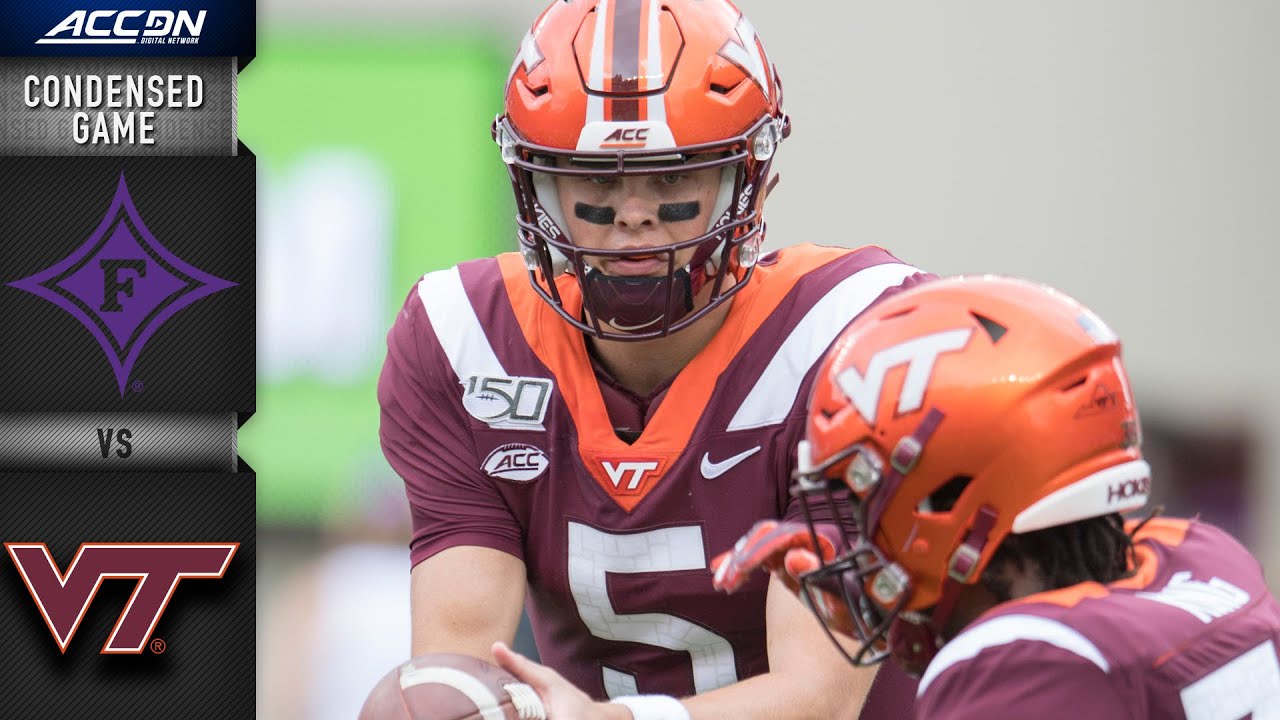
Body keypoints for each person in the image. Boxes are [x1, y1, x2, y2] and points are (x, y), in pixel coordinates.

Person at [378, 0, 931, 717]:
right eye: (597, 182)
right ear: (536, 185)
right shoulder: (463, 338)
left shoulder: (855, 336)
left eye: (672, 180)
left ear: (748, 182)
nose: (633, 214)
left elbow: (818, 698)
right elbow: (463, 668)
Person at [712, 276, 1280, 718]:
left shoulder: (1020, 664)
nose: (858, 534)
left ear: (954, 495)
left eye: (867, 497)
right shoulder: (1202, 554)